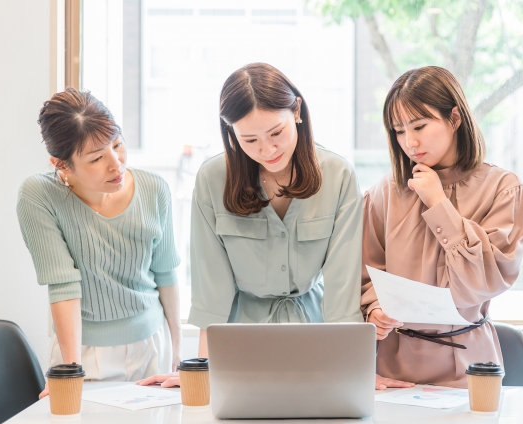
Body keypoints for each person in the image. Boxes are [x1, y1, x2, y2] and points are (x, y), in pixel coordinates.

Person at [138, 62, 413, 389]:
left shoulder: (338, 175)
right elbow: (212, 290)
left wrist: (357, 370)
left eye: (277, 133)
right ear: (231, 133)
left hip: (318, 339)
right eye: (249, 139)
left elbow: (342, 291)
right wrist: (202, 370)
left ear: (296, 110)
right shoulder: (212, 179)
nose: (267, 150)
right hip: (238, 342)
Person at [362, 66, 523, 389]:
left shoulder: (504, 189)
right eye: (398, 131)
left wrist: (439, 204)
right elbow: (363, 275)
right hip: (394, 369)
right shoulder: (383, 194)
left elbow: (484, 280)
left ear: (454, 119)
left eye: (419, 126)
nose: (409, 142)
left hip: (471, 368)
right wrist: (374, 309)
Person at [17, 88, 182, 397]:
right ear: (61, 164)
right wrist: (70, 370)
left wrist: (175, 351)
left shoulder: (154, 188)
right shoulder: (39, 196)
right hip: (84, 353)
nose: (116, 164)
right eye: (96, 158)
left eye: (117, 144)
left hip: (152, 346)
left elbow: (166, 273)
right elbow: (63, 285)